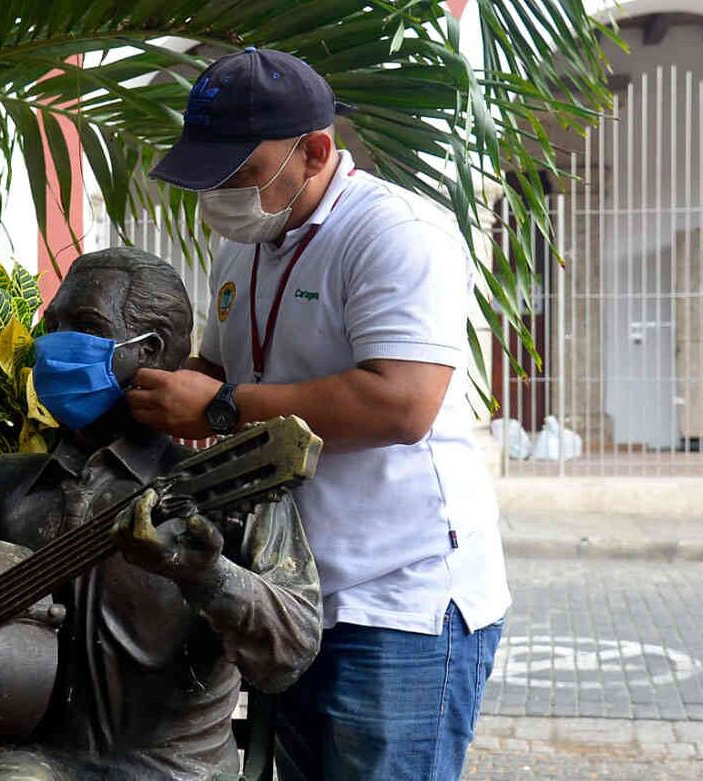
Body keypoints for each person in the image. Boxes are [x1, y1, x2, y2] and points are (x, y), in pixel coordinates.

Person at [0, 248, 322, 780]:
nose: (52, 345)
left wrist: (207, 575)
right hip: (30, 756)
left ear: (153, 351)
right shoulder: (3, 484)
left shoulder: (228, 489)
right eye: (52, 325)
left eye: (85, 325)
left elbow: (293, 650)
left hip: (170, 769)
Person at [130, 47, 511, 780]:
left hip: (397, 603)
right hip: (291, 599)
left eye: (239, 174)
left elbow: (400, 400)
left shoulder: (395, 233)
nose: (220, 194)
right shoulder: (242, 246)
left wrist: (218, 405)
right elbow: (230, 367)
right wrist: (156, 384)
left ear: (315, 152)